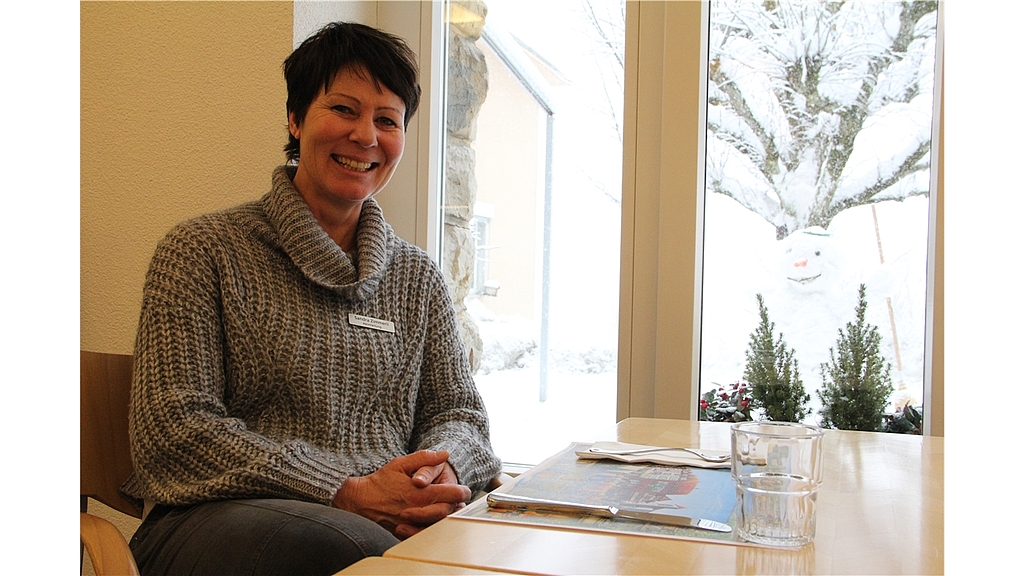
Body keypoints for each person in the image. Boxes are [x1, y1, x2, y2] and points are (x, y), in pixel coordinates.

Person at [123, 22, 502, 575]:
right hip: (216, 518)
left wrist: (432, 479)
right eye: (344, 109)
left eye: (387, 120)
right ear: (296, 119)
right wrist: (344, 489)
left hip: (387, 521)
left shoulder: (417, 277)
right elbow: (176, 432)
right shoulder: (202, 251)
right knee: (368, 556)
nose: (366, 136)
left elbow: (459, 413)